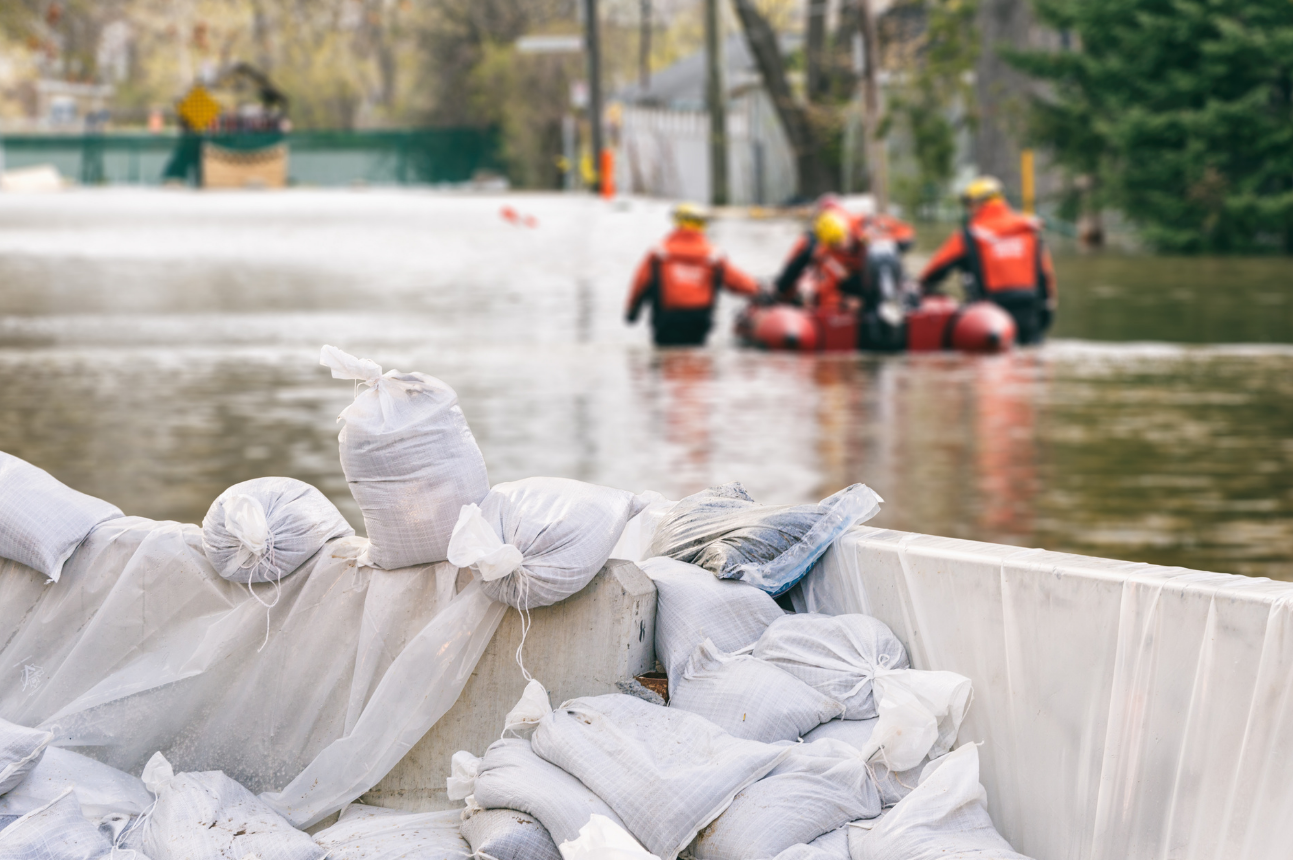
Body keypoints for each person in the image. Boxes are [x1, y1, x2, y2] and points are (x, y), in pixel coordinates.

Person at [919, 176, 1057, 345]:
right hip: (1030, 312)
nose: (968, 210)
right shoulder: (1028, 229)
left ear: (979, 203)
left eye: (969, 204)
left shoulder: (969, 235)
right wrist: (1047, 310)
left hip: (989, 317)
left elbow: (934, 272)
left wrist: (921, 287)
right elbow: (1046, 275)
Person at [626, 203, 760, 346]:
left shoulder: (659, 252)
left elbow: (640, 283)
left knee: (664, 359)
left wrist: (632, 312)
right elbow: (737, 281)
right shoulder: (713, 255)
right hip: (699, 321)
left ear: (677, 222)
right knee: (697, 358)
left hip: (666, 321)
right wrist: (759, 290)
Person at [772, 207, 867, 312]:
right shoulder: (828, 259)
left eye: (844, 236)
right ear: (830, 244)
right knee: (845, 277)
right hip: (853, 281)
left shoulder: (863, 228)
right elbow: (827, 297)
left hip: (870, 271)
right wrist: (845, 301)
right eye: (837, 243)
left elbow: (883, 233)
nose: (844, 244)